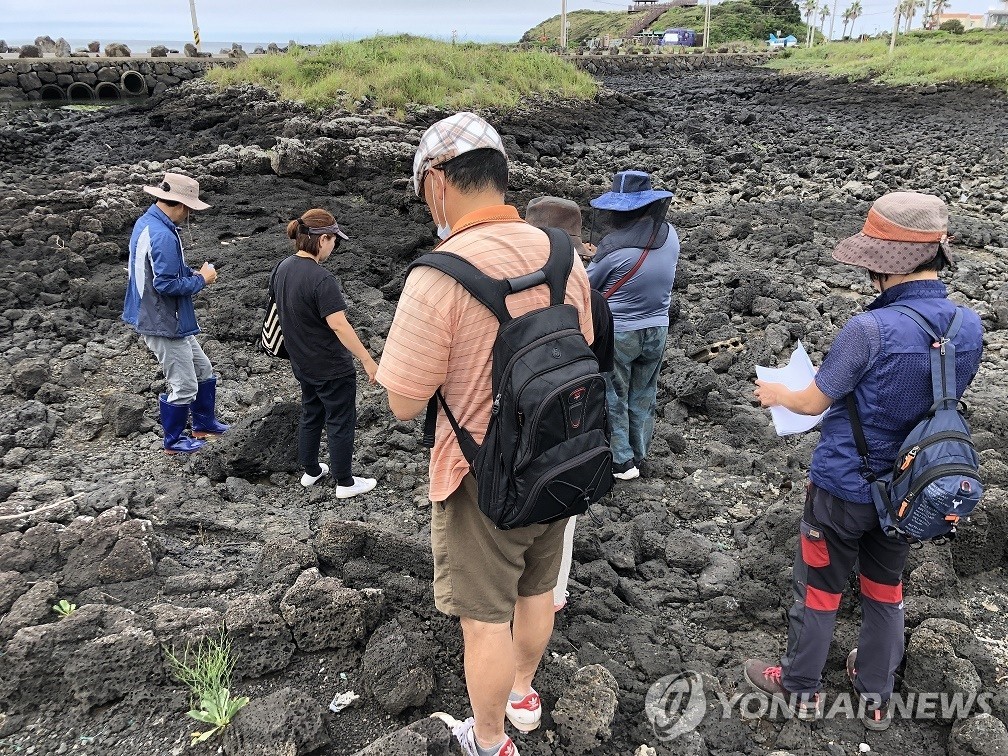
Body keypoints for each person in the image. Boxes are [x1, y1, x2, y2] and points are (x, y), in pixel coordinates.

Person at [376, 113, 594, 756]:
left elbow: (404, 405)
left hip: (480, 477)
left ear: (438, 182)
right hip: (558, 457)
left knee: (484, 621)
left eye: (423, 189)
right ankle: (524, 694)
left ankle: (491, 739)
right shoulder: (562, 255)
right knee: (536, 589)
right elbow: (582, 349)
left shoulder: (437, 275)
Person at [743, 191, 983, 730]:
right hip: (910, 490)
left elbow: (812, 401)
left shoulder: (868, 329)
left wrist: (775, 394)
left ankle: (801, 688)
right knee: (885, 591)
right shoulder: (968, 326)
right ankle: (876, 695)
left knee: (821, 588)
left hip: (843, 488)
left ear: (882, 265)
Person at [524, 195, 615, 613]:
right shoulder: (593, 300)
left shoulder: (512, 296)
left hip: (516, 424)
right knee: (562, 516)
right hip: (573, 429)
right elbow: (602, 368)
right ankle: (552, 595)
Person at [272, 209, 378, 499]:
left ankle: (311, 470)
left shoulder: (282, 268)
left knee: (312, 412)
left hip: (302, 362)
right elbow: (340, 326)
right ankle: (345, 482)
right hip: (331, 366)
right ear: (322, 239)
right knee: (340, 419)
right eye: (334, 240)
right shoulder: (322, 279)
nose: (334, 247)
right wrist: (367, 360)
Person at [123, 172, 229, 454]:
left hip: (161, 315)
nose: (189, 215)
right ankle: (174, 441)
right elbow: (165, 284)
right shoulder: (163, 235)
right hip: (163, 321)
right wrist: (202, 279)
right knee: (184, 385)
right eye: (190, 209)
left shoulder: (147, 223)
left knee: (203, 369)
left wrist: (189, 273)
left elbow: (155, 271)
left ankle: (204, 424)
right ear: (181, 205)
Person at [586, 170, 679, 481]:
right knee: (644, 393)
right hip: (658, 328)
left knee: (614, 394)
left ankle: (622, 462)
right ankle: (640, 453)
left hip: (620, 333)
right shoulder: (670, 236)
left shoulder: (612, 250)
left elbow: (587, 287)